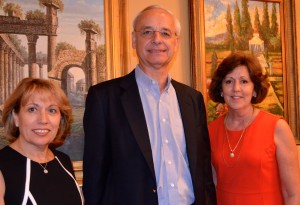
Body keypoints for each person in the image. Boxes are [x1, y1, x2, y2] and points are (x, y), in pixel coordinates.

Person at [83, 5, 217, 205]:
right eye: (147, 32)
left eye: (165, 33)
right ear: (134, 40)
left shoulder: (192, 99)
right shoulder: (104, 98)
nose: (157, 39)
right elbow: (95, 178)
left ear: (176, 42)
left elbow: (203, 171)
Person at [208, 52, 300, 205]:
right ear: (221, 89)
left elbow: (293, 194)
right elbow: (213, 185)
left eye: (244, 81)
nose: (236, 88)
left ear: (255, 89)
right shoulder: (211, 130)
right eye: (229, 81)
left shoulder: (277, 128)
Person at [0, 78, 84, 205]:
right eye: (32, 109)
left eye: (52, 110)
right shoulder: (3, 166)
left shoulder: (63, 160)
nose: (43, 120)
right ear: (16, 117)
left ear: (60, 119)